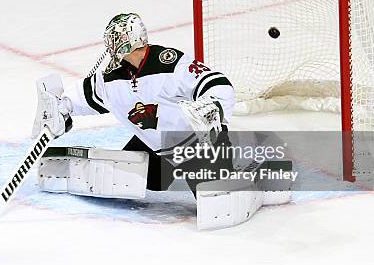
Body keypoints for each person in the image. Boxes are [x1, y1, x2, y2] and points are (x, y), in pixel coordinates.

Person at [36, 13, 236, 195]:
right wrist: (61, 110)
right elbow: (84, 96)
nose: (112, 44)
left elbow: (219, 85)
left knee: (215, 197)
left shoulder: (169, 63)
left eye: (118, 38)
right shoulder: (111, 78)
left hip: (196, 146)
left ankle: (242, 177)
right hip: (156, 151)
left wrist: (210, 106)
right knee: (118, 180)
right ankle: (78, 173)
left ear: (133, 39)